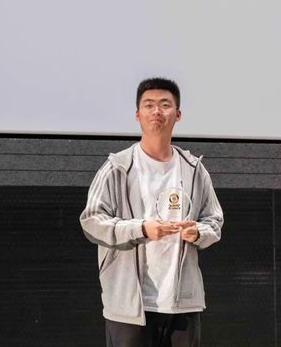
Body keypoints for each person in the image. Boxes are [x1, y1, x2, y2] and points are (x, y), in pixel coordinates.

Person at [80, 77, 224, 347]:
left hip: (181, 305)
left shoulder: (193, 169)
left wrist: (198, 232)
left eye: (165, 105)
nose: (157, 111)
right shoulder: (117, 167)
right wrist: (141, 229)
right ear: (138, 115)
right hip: (129, 306)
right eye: (149, 105)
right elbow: (92, 221)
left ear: (178, 114)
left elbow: (214, 220)